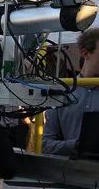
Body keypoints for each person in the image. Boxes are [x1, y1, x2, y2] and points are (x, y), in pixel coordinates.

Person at [42, 28, 99, 156]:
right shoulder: (62, 92)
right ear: (85, 53)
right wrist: (77, 145)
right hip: (71, 172)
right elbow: (46, 145)